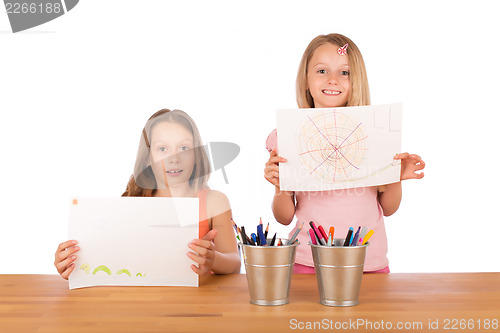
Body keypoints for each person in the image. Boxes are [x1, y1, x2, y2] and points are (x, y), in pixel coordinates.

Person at [264, 33, 425, 273]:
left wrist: (395, 177)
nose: (332, 80)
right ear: (305, 80)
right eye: (321, 71)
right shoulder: (287, 136)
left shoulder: (376, 133)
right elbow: (284, 217)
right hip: (308, 261)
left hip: (367, 262)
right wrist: (280, 188)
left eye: (344, 72)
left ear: (356, 80)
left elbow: (388, 208)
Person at [55, 109, 240, 279]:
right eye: (162, 149)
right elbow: (113, 260)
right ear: (147, 159)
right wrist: (73, 263)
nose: (174, 158)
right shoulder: (132, 203)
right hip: (145, 303)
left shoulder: (214, 202)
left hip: (198, 305)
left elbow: (235, 263)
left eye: (184, 148)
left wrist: (213, 259)